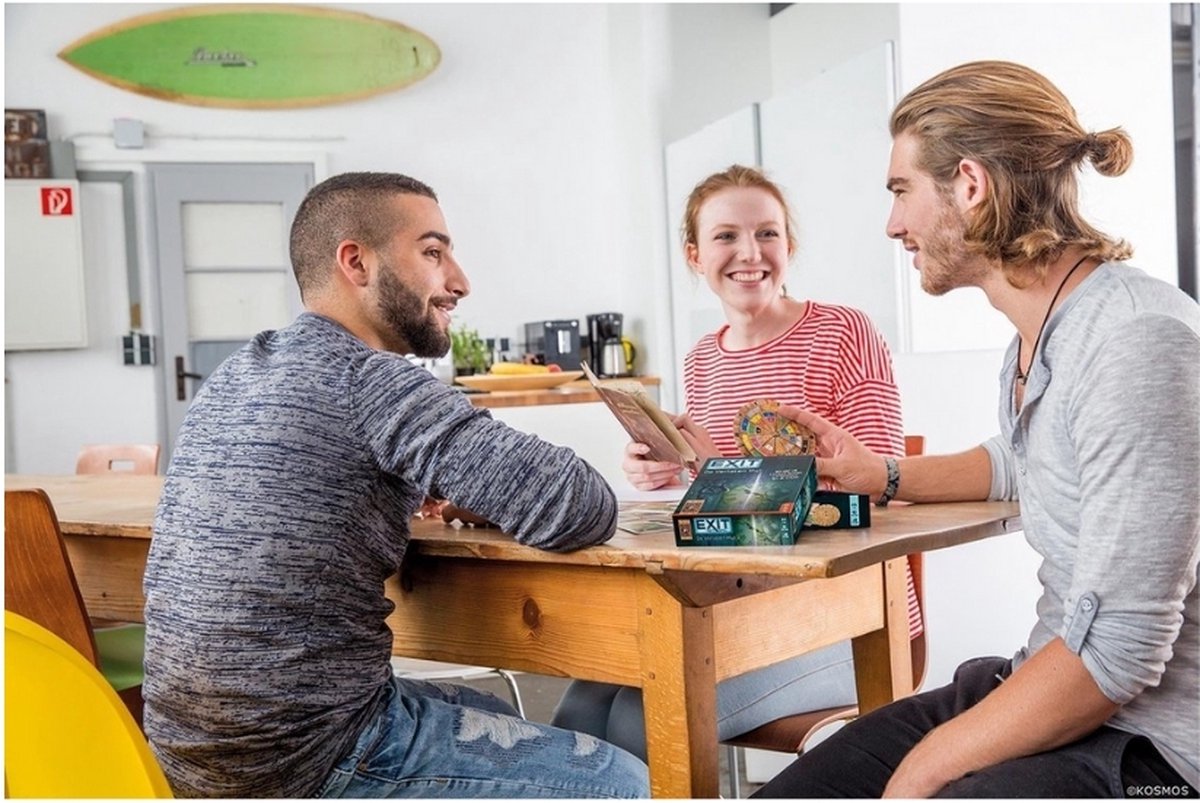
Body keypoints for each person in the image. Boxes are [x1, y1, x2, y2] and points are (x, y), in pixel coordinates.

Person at [754, 60, 1200, 798]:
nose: (893, 222)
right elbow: (1029, 460)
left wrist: (924, 770)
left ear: (969, 183)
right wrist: (884, 473)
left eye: (901, 191)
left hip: (1154, 744)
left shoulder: (1138, 341)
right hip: (1049, 678)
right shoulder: (1039, 335)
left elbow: (1120, 652)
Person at [142, 172, 650, 799]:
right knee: (630, 784)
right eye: (433, 253)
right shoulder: (368, 379)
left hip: (190, 755)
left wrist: (438, 487)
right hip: (308, 760)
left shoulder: (234, 377)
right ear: (357, 262)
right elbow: (579, 506)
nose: (459, 281)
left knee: (497, 715)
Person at [551, 164, 919, 759]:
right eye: (726, 236)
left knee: (640, 723)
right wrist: (670, 467)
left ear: (789, 247)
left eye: (767, 233)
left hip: (845, 621)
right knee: (578, 715)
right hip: (735, 607)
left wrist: (721, 465)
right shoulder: (702, 359)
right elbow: (721, 505)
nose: (750, 253)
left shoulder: (843, 333)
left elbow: (883, 495)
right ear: (696, 256)